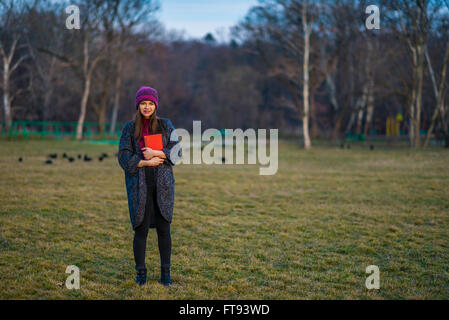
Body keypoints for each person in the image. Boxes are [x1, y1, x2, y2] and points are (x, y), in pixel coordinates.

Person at [117, 86, 180, 286]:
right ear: (138, 105)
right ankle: (141, 274)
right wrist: (144, 162)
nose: (147, 107)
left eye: (150, 103)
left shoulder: (165, 124)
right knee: (141, 230)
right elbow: (123, 155)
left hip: (162, 185)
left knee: (164, 229)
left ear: (155, 105)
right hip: (139, 186)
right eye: (143, 103)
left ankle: (165, 275)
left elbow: (176, 152)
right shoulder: (129, 127)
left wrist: (156, 153)